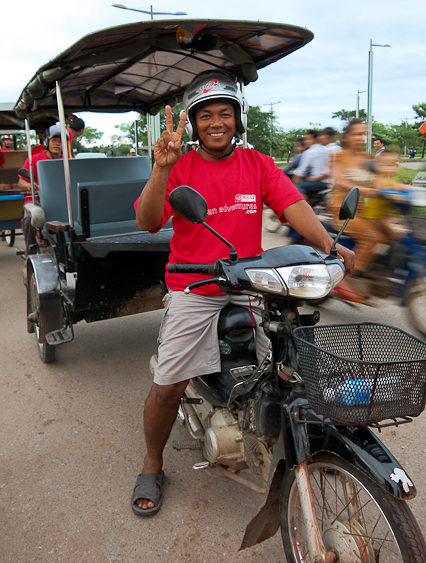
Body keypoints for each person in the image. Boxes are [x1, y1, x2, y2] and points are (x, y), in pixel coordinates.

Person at [131, 70, 355, 516]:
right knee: (169, 384)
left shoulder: (258, 164)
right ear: (194, 124)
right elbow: (147, 221)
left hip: (250, 282)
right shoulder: (179, 167)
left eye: (225, 113)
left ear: (238, 119)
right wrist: (161, 170)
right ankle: (152, 461)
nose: (217, 122)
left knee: (292, 367)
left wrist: (330, 245)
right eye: (207, 115)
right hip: (194, 285)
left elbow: (293, 206)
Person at [331, 119, 389, 301]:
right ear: (346, 137)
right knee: (374, 236)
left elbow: (381, 177)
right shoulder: (339, 156)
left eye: (363, 134)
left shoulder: (366, 158)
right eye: (356, 133)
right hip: (345, 212)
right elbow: (340, 180)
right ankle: (346, 278)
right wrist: (366, 189)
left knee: (393, 233)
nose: (360, 138)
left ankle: (377, 278)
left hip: (365, 212)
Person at [18, 125, 66, 255]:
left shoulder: (66, 161)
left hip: (59, 200)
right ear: (46, 142)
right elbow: (21, 182)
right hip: (35, 199)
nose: (58, 144)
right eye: (54, 140)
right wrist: (29, 185)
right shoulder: (33, 159)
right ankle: (31, 253)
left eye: (61, 141)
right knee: (29, 220)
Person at [292, 129, 328, 198]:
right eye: (305, 139)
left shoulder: (309, 152)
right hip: (327, 181)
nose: (305, 142)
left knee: (299, 186)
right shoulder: (325, 148)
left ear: (315, 139)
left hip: (319, 182)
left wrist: (294, 181)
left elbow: (300, 172)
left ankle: (305, 207)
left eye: (308, 139)